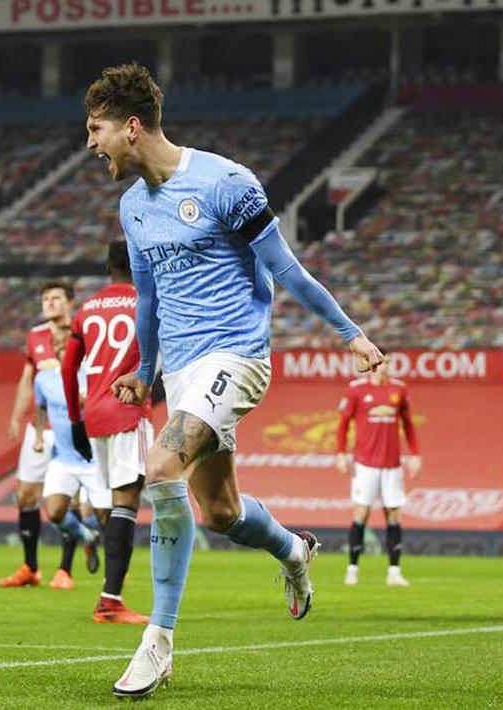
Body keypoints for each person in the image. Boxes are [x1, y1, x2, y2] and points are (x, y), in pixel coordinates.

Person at [84, 64, 383, 698]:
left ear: (130, 127)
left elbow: (289, 271)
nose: (91, 143)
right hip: (184, 369)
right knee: (218, 513)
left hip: (237, 356)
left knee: (161, 467)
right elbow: (148, 300)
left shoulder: (226, 182)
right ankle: (294, 552)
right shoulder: (132, 207)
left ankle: (158, 643)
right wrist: (143, 372)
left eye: (97, 128)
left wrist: (349, 332)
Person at [62, 240, 152, 623]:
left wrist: (75, 420)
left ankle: (112, 593)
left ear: (107, 269)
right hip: (128, 411)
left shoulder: (87, 309)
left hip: (94, 414)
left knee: (119, 503)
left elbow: (68, 367)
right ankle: (111, 599)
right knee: (126, 502)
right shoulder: (146, 301)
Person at [0, 282, 74, 588]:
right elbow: (27, 378)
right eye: (45, 298)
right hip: (40, 427)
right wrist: (17, 416)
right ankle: (30, 567)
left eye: (56, 298)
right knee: (26, 494)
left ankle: (65, 570)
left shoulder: (83, 332)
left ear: (70, 302)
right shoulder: (35, 336)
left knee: (70, 498)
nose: (50, 303)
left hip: (72, 426)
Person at [35, 324, 112, 590]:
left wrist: (87, 402)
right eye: (55, 341)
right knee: (54, 512)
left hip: (92, 456)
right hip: (63, 457)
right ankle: (87, 538)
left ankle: (113, 577)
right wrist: (37, 436)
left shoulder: (92, 374)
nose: (58, 345)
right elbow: (40, 408)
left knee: (105, 515)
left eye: (64, 341)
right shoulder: (43, 378)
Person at [335, 354, 421, 587]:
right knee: (361, 513)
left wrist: (415, 454)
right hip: (365, 464)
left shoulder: (399, 390)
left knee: (393, 515)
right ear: (372, 364)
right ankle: (352, 568)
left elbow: (409, 425)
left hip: (392, 464)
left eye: (387, 362)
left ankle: (394, 571)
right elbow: (343, 424)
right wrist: (341, 454)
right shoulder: (356, 390)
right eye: (382, 362)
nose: (385, 367)